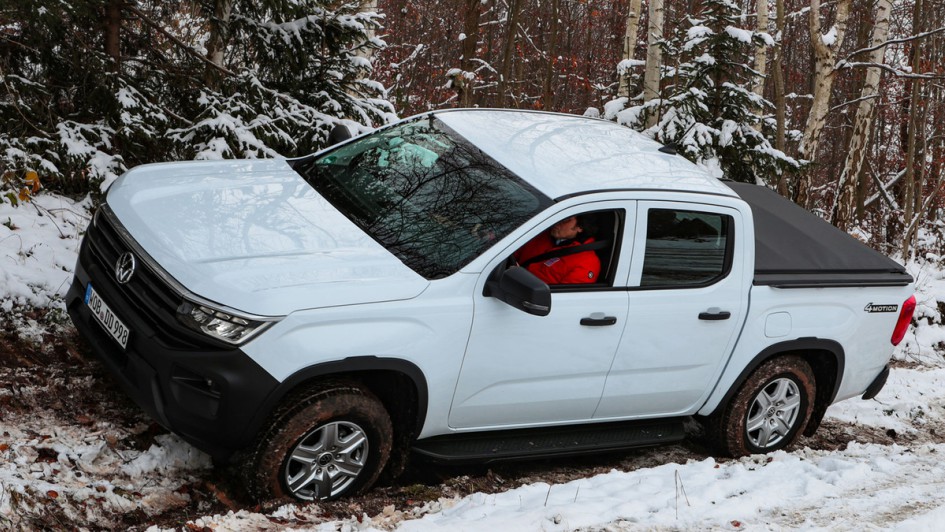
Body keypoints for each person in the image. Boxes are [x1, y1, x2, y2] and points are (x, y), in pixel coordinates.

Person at [514, 215, 601, 284]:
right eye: (558, 217)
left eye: (565, 219)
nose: (557, 222)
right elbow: (510, 255)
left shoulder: (587, 262)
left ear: (580, 227)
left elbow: (564, 300)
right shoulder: (538, 234)